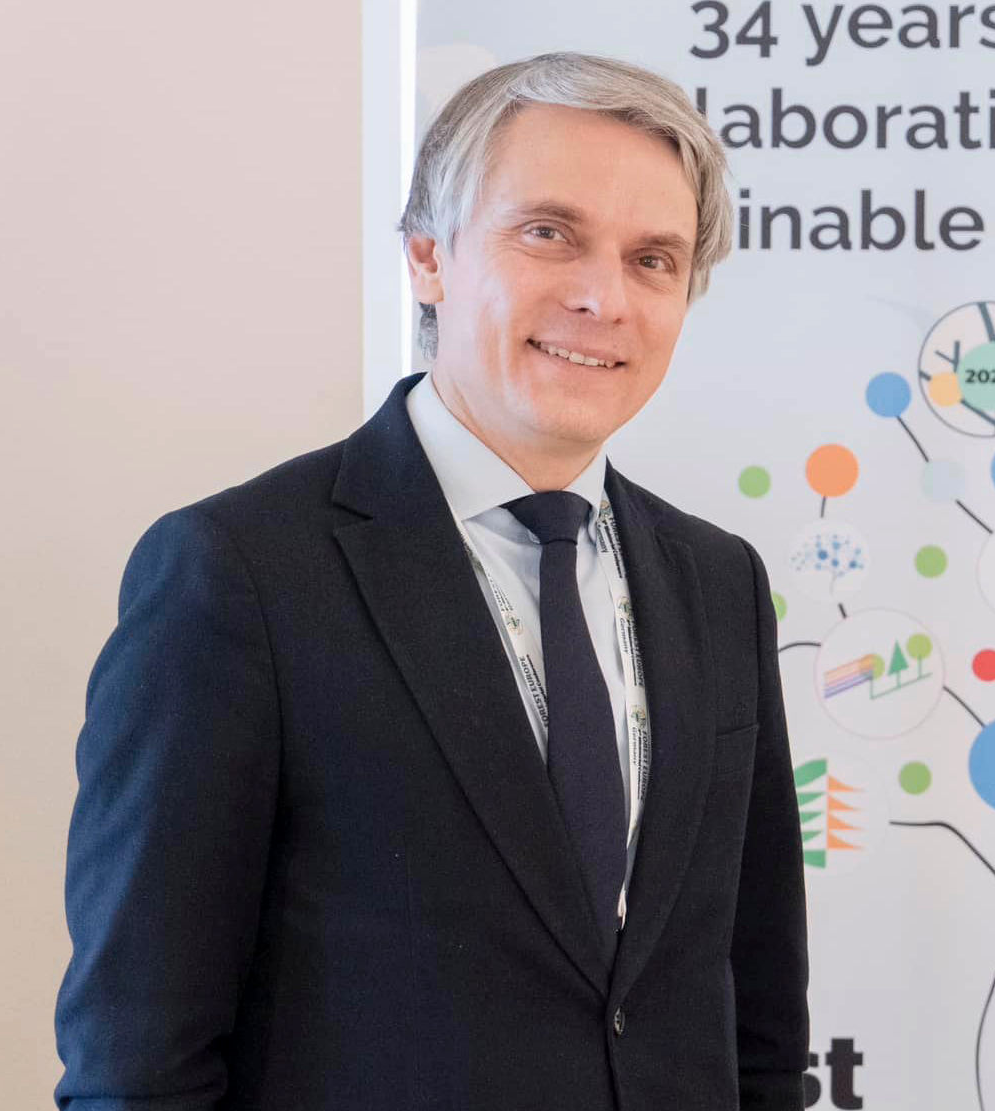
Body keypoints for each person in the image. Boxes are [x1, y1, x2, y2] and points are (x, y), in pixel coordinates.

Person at [55, 53, 808, 1111]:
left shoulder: (719, 584)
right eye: (548, 233)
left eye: (653, 259)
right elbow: (139, 1061)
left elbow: (756, 1013)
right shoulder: (239, 575)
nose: (602, 297)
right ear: (427, 258)